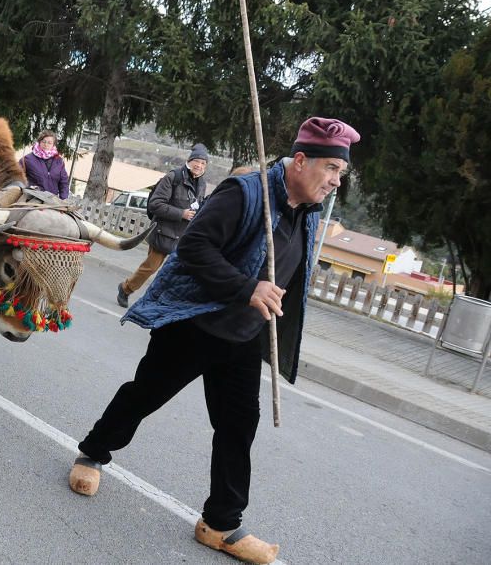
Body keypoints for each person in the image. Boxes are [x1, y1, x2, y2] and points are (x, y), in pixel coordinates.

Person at [68, 117, 360, 565]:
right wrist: (247, 288)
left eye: (340, 173)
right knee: (145, 395)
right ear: (300, 161)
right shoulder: (244, 194)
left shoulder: (308, 213)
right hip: (195, 323)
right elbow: (195, 248)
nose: (336, 182)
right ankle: (92, 453)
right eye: (332, 170)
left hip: (243, 336)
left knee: (238, 426)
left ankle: (220, 523)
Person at [116, 143, 209, 307]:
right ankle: (126, 288)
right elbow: (155, 204)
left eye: (203, 163)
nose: (199, 166)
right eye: (198, 161)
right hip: (163, 232)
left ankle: (158, 303)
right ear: (190, 160)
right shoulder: (173, 177)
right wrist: (181, 213)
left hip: (183, 236)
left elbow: (197, 205)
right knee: (150, 268)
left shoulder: (202, 183)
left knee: (173, 273)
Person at [21, 130, 70, 199]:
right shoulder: (27, 159)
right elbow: (16, 177)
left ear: (53, 145)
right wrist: (28, 187)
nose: (46, 144)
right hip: (31, 199)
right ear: (39, 142)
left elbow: (64, 183)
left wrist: (63, 200)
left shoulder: (59, 161)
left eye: (49, 143)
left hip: (51, 202)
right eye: (43, 141)